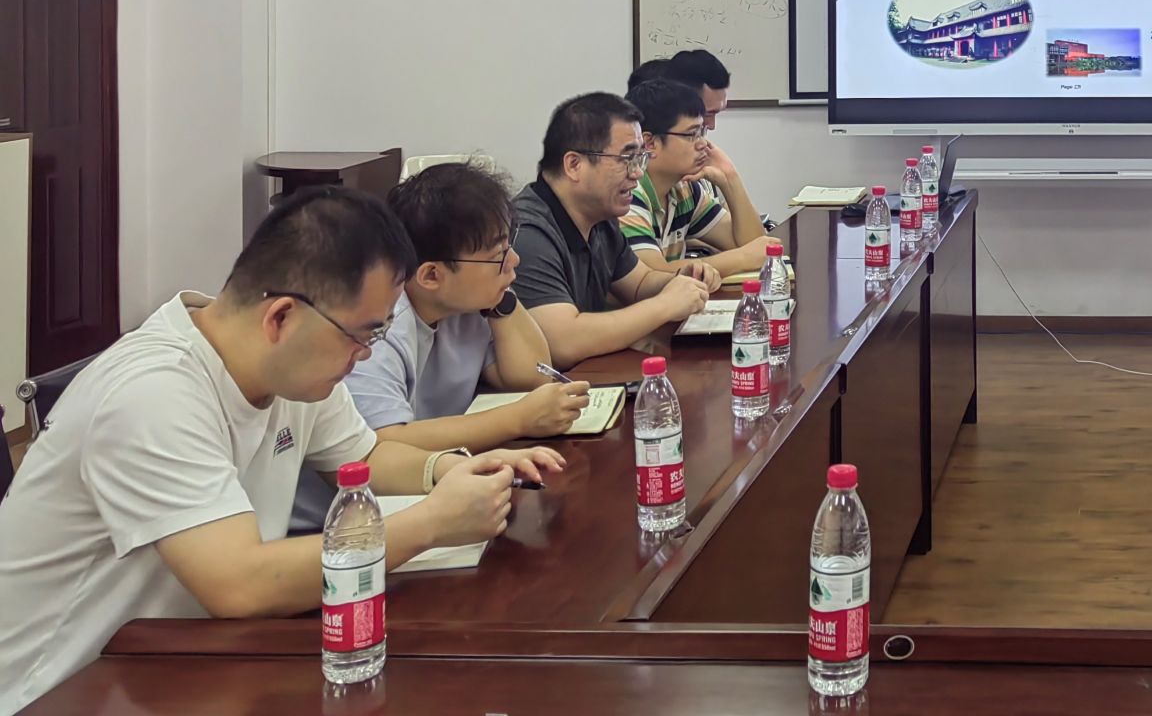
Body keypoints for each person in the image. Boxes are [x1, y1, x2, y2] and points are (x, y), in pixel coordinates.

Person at [0, 187, 562, 713]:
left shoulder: (293, 369)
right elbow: (239, 582)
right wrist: (432, 524)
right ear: (282, 317)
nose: (366, 355)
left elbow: (366, 457)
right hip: (60, 691)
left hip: (185, 662)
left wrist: (450, 470)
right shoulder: (152, 394)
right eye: (363, 335)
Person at [290, 162, 592, 533]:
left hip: (422, 492)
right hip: (337, 526)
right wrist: (518, 419)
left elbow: (529, 376)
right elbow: (383, 441)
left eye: (508, 245)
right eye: (498, 254)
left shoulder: (467, 306)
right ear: (431, 275)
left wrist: (502, 296)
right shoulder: (376, 329)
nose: (514, 261)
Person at [510, 92, 716, 367]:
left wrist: (681, 280)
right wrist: (665, 304)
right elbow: (563, 342)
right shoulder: (528, 233)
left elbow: (640, 283)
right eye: (627, 158)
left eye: (640, 158)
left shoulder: (599, 218)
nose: (638, 173)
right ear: (574, 165)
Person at [624, 78, 769, 281]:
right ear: (650, 143)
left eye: (702, 132)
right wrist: (743, 258)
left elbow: (757, 248)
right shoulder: (628, 193)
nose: (703, 144)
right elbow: (651, 274)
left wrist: (730, 178)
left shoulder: (684, 189)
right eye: (692, 134)